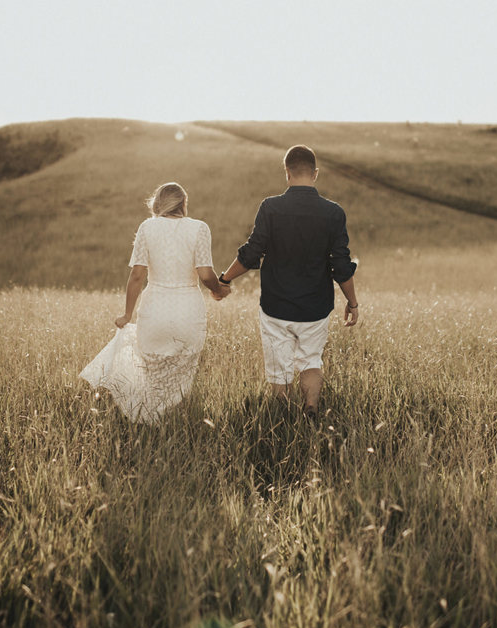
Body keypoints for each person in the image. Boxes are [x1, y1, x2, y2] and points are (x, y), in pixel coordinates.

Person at [215, 145, 359, 417]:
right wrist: (352, 302)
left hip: (276, 306)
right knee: (311, 361)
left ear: (287, 173)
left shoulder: (270, 207)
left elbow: (252, 252)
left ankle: (281, 418)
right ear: (315, 174)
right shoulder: (334, 212)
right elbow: (341, 264)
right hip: (315, 308)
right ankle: (311, 407)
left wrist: (224, 279)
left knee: (278, 367)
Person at [80, 182, 229, 422]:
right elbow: (205, 275)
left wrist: (127, 315)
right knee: (183, 370)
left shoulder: (147, 227)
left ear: (158, 204)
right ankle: (176, 422)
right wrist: (219, 290)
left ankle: (149, 421)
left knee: (152, 373)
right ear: (183, 204)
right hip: (188, 311)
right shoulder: (200, 228)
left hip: (154, 310)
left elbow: (137, 275)